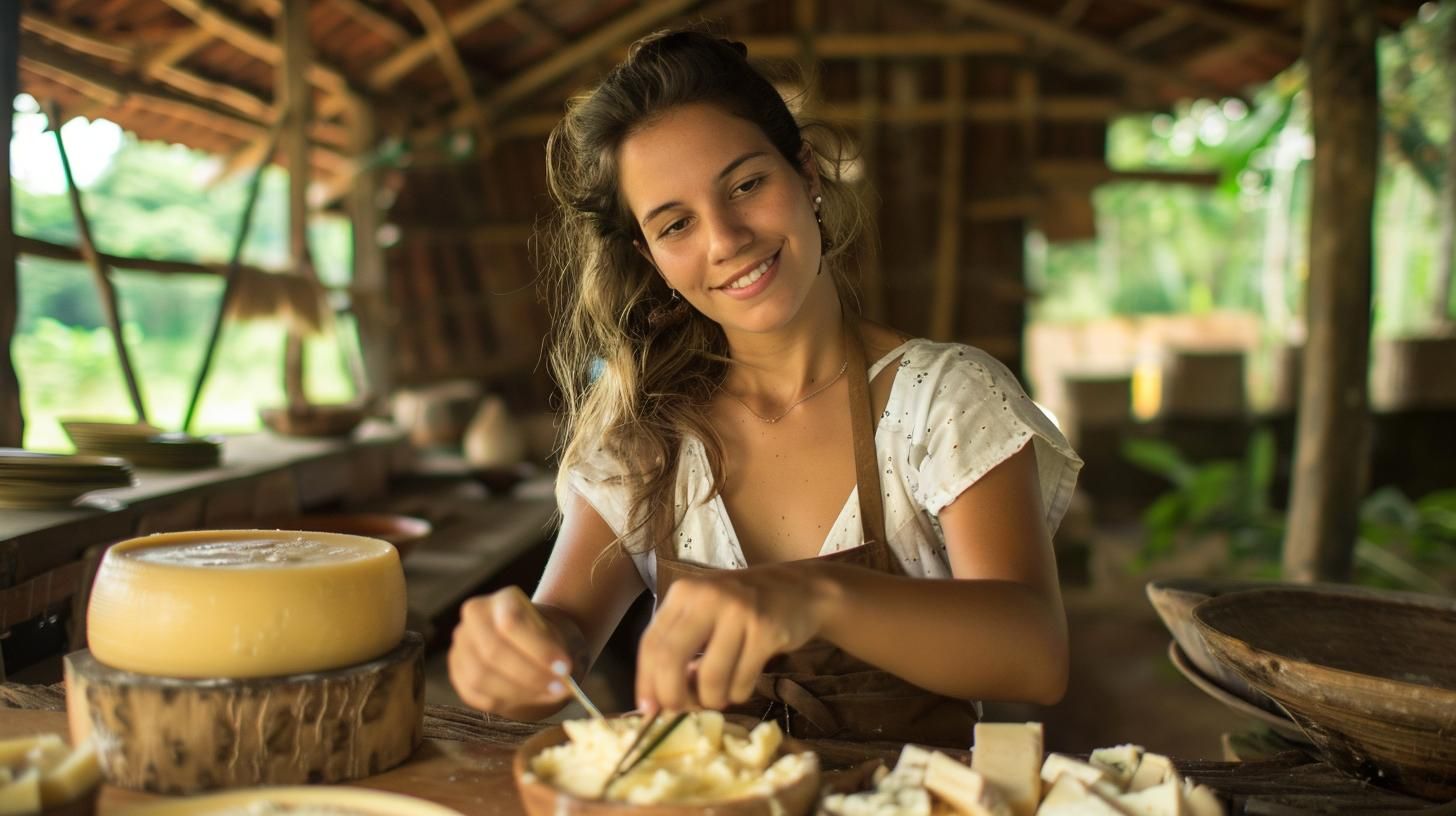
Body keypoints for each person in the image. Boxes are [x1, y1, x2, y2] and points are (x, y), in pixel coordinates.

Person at [448, 29, 1082, 747]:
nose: (725, 239)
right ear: (650, 257)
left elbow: (1035, 654)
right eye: (676, 223)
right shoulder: (646, 435)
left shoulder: (941, 402)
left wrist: (809, 597)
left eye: (747, 184)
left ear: (807, 174)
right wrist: (516, 651)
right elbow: (563, 635)